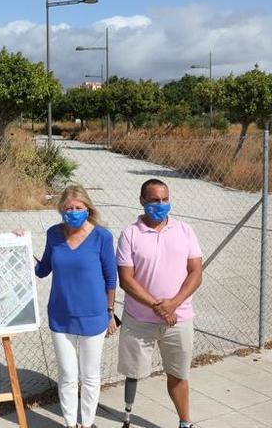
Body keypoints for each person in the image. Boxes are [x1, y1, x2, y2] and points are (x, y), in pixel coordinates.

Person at [116, 179, 203, 428]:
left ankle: (185, 422)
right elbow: (126, 280)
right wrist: (159, 306)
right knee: (133, 372)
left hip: (179, 318)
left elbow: (195, 272)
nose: (161, 204)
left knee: (178, 375)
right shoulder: (130, 234)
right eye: (154, 200)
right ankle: (128, 417)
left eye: (165, 199)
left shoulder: (185, 230)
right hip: (139, 320)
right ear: (142, 201)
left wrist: (173, 304)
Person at [34, 185, 118, 428]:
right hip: (61, 316)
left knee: (90, 376)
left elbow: (110, 277)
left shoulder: (102, 236)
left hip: (94, 315)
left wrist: (110, 312)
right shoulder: (54, 234)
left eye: (78, 208)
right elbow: (43, 270)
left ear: (87, 208)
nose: (73, 212)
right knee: (68, 376)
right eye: (68, 208)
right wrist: (21, 246)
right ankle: (71, 423)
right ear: (61, 210)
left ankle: (88, 421)